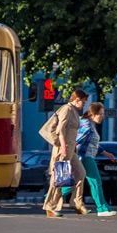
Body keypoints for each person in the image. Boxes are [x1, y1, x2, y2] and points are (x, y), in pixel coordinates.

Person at [64, 102, 117, 217]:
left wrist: (106, 153)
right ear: (92, 115)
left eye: (103, 114)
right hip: (85, 158)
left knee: (73, 182)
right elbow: (77, 142)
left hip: (86, 157)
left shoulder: (89, 124)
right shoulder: (87, 126)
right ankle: (102, 208)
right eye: (100, 114)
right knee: (96, 182)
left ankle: (50, 197)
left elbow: (92, 143)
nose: (103, 116)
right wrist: (73, 159)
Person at [43, 88, 89, 218]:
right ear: (77, 100)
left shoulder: (73, 111)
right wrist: (63, 147)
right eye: (83, 102)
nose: (84, 105)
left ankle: (77, 203)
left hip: (71, 149)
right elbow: (60, 130)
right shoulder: (67, 109)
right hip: (63, 148)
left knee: (81, 173)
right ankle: (51, 206)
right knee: (59, 178)